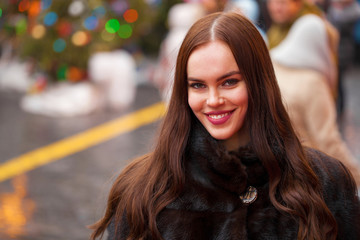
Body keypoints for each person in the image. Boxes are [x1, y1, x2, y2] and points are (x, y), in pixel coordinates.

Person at [90, 12, 360, 240]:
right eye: (197, 85)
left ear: (258, 83)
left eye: (229, 82)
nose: (213, 100)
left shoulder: (326, 182)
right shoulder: (142, 191)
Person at [270, 13, 360, 186]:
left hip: (274, 165)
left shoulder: (271, 63)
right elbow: (328, 140)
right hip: (305, 171)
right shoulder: (312, 82)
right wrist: (356, 175)